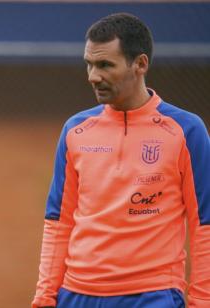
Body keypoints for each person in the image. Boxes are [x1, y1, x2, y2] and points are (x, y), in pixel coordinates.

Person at [32, 12, 210, 308]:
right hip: (77, 295)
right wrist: (45, 297)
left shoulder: (186, 131)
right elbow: (58, 222)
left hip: (153, 295)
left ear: (140, 64)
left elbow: (204, 224)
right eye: (88, 64)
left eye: (105, 65)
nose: (92, 76)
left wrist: (203, 302)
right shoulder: (75, 130)